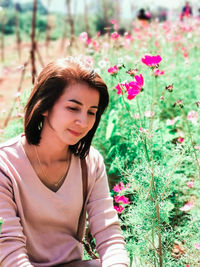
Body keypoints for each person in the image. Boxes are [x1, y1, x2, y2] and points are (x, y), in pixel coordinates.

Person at [0, 58, 129, 267]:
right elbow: (8, 251)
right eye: (73, 108)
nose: (83, 122)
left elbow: (109, 234)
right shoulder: (5, 166)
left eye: (91, 112)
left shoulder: (90, 162)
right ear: (44, 106)